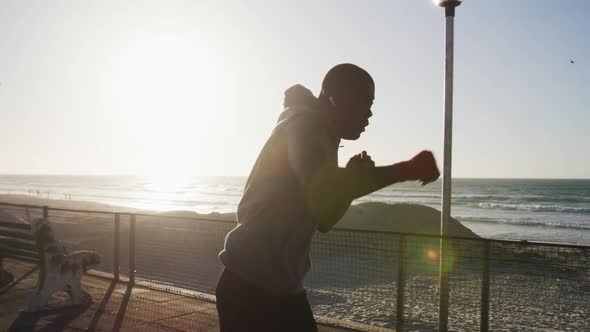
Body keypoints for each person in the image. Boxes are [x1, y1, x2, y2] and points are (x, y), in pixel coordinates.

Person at [215, 63, 440, 332]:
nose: (369, 113)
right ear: (336, 97)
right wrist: (406, 169)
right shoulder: (304, 125)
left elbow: (325, 218)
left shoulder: (323, 136)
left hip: (282, 287)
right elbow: (321, 187)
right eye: (365, 102)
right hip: (249, 287)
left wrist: (351, 179)